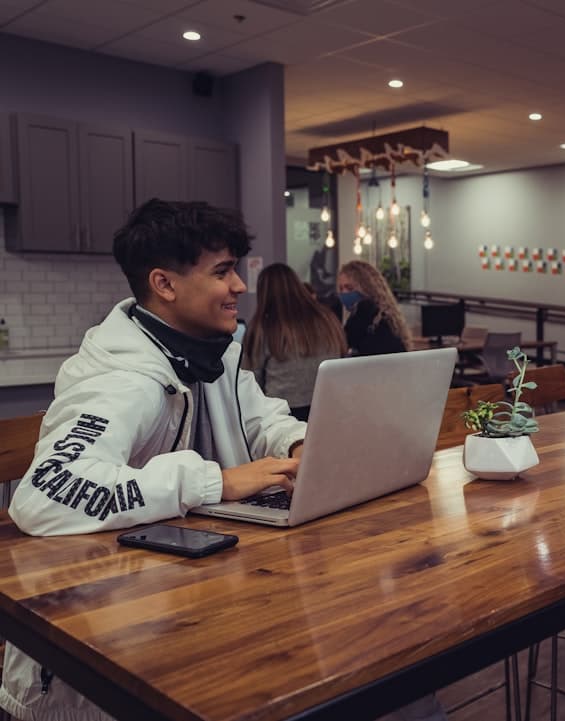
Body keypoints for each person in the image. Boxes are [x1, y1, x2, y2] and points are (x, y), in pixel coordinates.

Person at [0, 200, 445, 721]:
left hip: (205, 603)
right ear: (164, 284)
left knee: (382, 669)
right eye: (222, 271)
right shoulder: (120, 381)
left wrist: (304, 446)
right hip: (107, 654)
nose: (239, 285)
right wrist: (215, 482)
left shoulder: (218, 347)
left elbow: (262, 421)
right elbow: (46, 492)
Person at [242, 263, 347, 420]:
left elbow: (251, 383)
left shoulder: (263, 328)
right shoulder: (327, 319)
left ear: (263, 294)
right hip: (328, 408)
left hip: (281, 416)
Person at [337, 259, 412, 355]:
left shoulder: (365, 311)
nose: (344, 293)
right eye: (341, 288)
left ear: (366, 287)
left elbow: (344, 343)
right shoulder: (387, 316)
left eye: (350, 288)